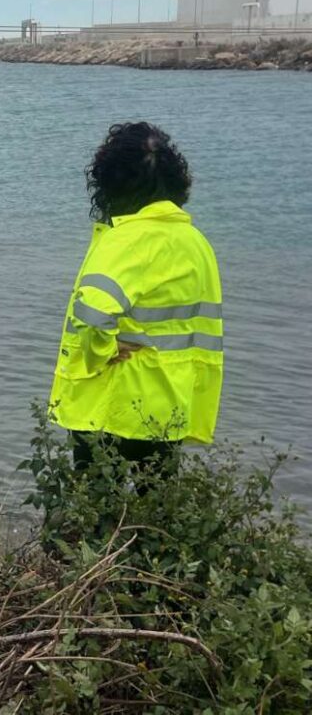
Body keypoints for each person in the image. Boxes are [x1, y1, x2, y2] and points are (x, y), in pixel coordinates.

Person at [49, 122, 223, 473]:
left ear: (109, 181)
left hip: (110, 403)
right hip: (169, 404)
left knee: (95, 512)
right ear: (176, 181)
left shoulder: (126, 240)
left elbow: (94, 310)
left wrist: (101, 352)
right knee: (155, 512)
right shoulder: (196, 243)